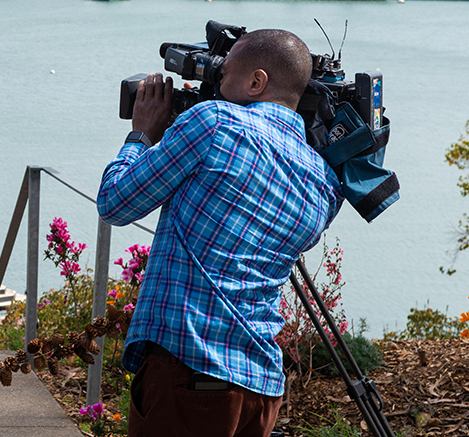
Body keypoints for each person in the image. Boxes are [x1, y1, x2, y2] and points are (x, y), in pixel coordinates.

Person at [96, 29, 343, 437]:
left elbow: (115, 203)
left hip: (190, 377)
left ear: (256, 82)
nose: (214, 85)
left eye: (222, 73)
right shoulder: (325, 181)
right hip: (261, 390)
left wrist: (142, 134)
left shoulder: (212, 122)